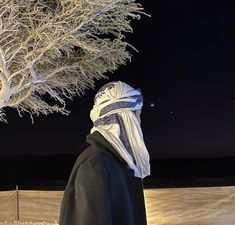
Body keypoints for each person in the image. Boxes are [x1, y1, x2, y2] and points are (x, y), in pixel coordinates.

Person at [59, 81, 151, 225]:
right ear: (123, 117)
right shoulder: (95, 167)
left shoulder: (118, 164)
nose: (139, 122)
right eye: (136, 114)